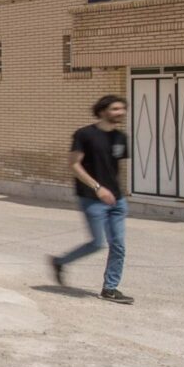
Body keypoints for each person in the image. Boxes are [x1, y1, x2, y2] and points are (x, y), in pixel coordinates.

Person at [49, 94, 134, 304]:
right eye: (115, 109)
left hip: (116, 200)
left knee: (119, 245)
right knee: (97, 243)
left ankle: (110, 288)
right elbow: (74, 164)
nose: (120, 112)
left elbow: (114, 168)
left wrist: (118, 193)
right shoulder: (85, 134)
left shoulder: (121, 138)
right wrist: (98, 188)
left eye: (122, 109)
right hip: (92, 197)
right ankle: (60, 261)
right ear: (103, 111)